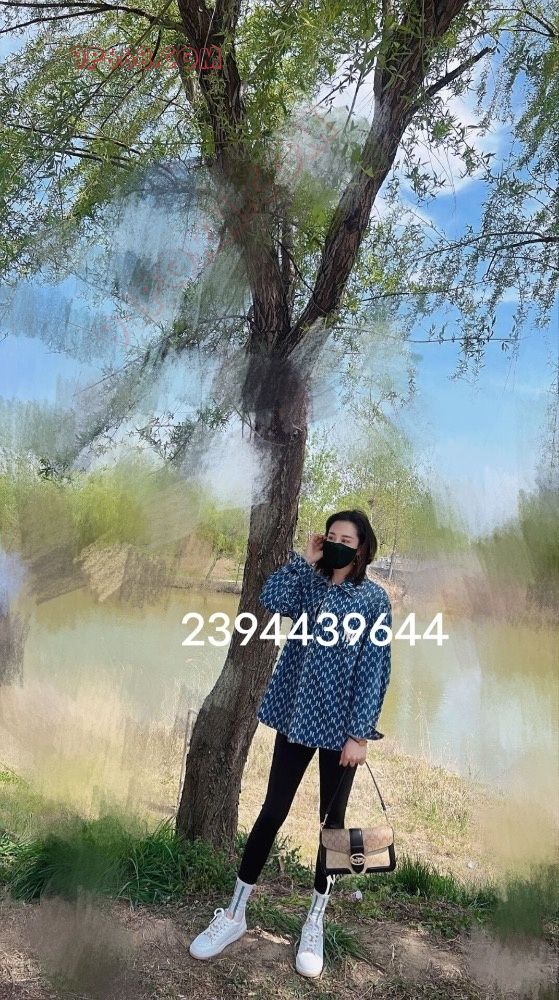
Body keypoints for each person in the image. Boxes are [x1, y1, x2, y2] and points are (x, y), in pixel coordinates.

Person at [189, 508, 392, 978]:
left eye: (347, 540)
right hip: (297, 719)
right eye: (331, 536)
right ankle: (235, 913)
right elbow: (271, 598)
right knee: (272, 811)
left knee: (332, 826)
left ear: (362, 549)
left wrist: (359, 734)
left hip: (342, 732)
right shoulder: (308, 582)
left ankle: (314, 921)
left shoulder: (373, 600)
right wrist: (306, 559)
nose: (337, 543)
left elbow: (375, 668)